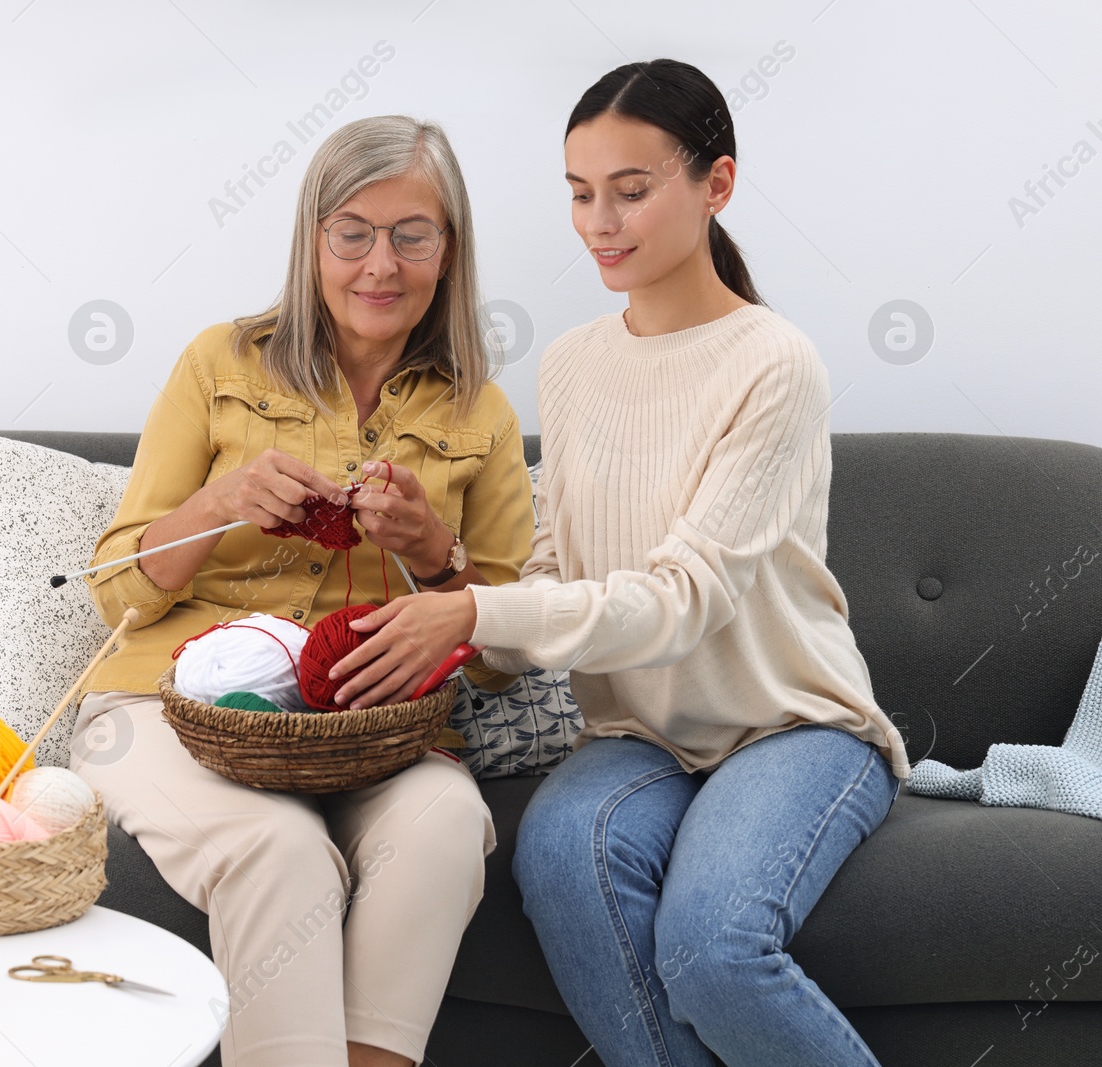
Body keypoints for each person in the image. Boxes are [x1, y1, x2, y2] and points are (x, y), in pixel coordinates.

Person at [330, 61, 912, 1065]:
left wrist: (474, 617)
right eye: (579, 192)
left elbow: (680, 602)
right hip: (637, 734)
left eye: (631, 190)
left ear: (715, 184)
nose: (600, 220)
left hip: (791, 725)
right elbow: (550, 590)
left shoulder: (772, 363)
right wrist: (441, 567)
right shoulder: (571, 362)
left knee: (712, 950)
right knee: (556, 855)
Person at [72, 114, 535, 1067]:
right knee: (281, 854)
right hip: (172, 707)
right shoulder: (219, 364)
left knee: (450, 824)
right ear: (312, 241)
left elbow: (504, 659)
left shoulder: (478, 410)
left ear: (448, 253)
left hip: (373, 728)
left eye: (413, 234)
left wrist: (440, 558)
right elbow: (114, 592)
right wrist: (220, 503)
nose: (381, 263)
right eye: (352, 232)